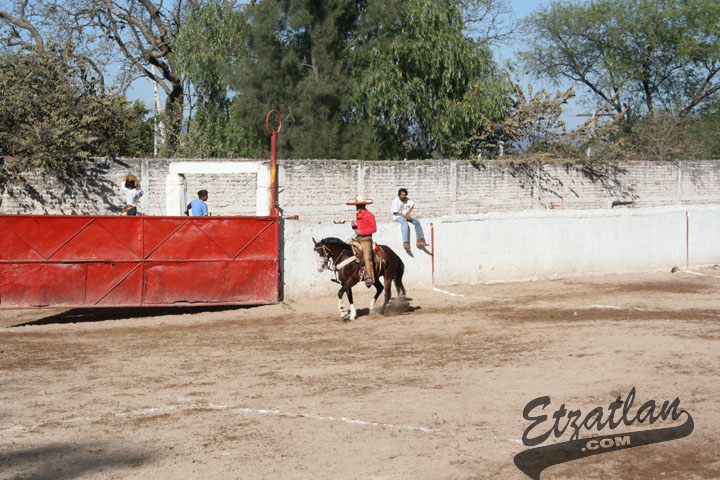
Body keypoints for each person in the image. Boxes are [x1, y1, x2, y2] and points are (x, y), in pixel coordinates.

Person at [348, 195, 376, 287]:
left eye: (359, 205)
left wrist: (361, 231)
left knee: (366, 257)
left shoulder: (370, 215)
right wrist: (354, 227)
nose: (357, 207)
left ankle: (369, 277)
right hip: (358, 238)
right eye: (356, 205)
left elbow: (373, 229)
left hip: (366, 240)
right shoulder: (358, 215)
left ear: (364, 205)